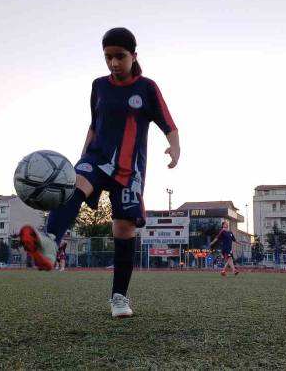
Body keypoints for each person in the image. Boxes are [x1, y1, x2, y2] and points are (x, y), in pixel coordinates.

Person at [19, 27, 180, 318]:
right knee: (74, 184)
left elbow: (168, 122)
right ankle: (50, 243)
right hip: (96, 157)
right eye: (108, 57)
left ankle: (119, 298)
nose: (114, 63)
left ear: (133, 56)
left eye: (120, 56)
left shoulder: (147, 88)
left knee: (123, 228)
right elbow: (94, 124)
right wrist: (82, 157)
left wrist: (174, 148)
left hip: (129, 170)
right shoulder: (98, 86)